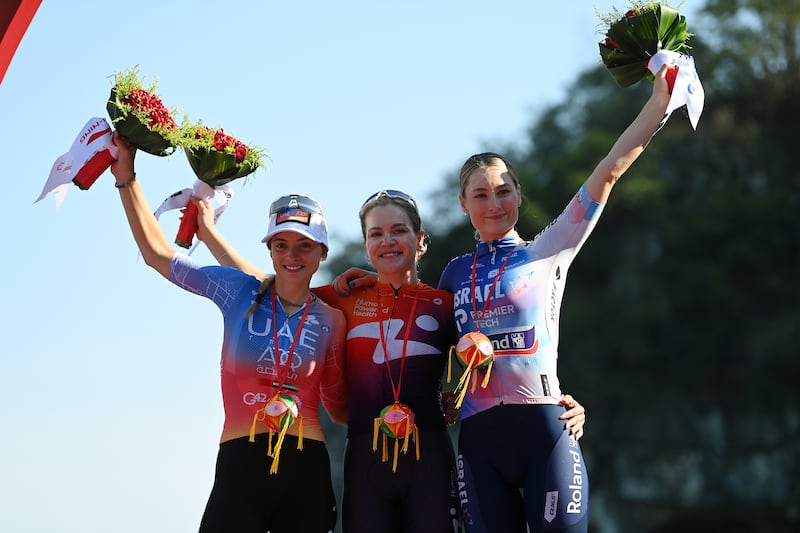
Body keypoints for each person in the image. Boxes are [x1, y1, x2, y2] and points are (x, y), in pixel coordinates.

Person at [340, 65, 674, 532]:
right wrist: (368, 279)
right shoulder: (453, 275)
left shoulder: (548, 251)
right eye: (481, 195)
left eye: (503, 191)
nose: (493, 203)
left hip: (546, 431)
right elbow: (417, 322)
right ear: (463, 204)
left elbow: (609, 171)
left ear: (519, 195)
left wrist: (658, 103)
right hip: (478, 443)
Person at [201, 189, 587, 533]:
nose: (388, 241)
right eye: (376, 234)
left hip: (430, 461)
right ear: (366, 245)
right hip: (366, 462)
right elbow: (265, 283)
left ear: (420, 241)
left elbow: (501, 349)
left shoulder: (444, 303)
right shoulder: (342, 299)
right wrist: (209, 234)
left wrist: (562, 397)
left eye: (399, 231)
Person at [108, 132, 348, 533]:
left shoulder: (333, 319)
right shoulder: (238, 291)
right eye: (281, 244)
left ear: (322, 252)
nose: (292, 255)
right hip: (240, 467)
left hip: (306, 472)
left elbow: (341, 409)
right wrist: (126, 176)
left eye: (305, 246)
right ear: (269, 248)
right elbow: (156, 254)